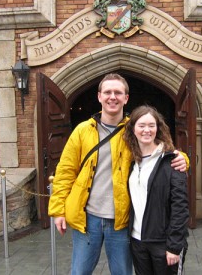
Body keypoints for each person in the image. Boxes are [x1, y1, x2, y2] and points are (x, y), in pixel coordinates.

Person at [48, 73, 188, 275]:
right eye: (107, 92)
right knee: (79, 272)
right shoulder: (82, 130)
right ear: (99, 96)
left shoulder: (134, 130)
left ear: (126, 98)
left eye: (118, 92)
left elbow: (161, 150)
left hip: (121, 221)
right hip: (87, 218)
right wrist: (58, 210)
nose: (112, 97)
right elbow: (65, 172)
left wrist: (183, 158)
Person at [124, 105, 189, 275]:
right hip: (138, 240)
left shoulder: (172, 160)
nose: (147, 130)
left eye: (151, 125)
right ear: (133, 129)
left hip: (164, 243)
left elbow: (180, 206)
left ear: (158, 128)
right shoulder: (131, 162)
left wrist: (174, 246)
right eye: (141, 125)